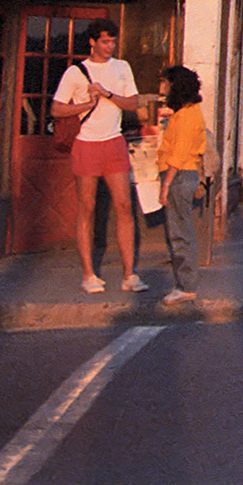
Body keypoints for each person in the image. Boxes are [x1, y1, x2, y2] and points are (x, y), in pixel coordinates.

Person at [51, 19, 147, 293]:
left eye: (113, 41)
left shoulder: (122, 67)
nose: (110, 46)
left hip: (114, 141)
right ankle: (88, 274)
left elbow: (133, 103)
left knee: (124, 206)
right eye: (105, 41)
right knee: (87, 206)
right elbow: (56, 110)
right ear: (92, 41)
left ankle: (130, 274)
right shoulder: (75, 72)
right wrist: (85, 104)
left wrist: (107, 94)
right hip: (86, 143)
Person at [156, 65, 207, 304]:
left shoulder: (186, 117)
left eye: (166, 84)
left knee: (179, 233)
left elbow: (178, 153)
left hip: (179, 176)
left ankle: (186, 285)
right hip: (183, 174)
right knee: (179, 230)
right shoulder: (187, 112)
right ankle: (184, 283)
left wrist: (165, 186)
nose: (162, 89)